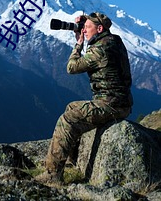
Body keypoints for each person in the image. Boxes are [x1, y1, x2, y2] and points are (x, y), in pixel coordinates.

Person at [35, 12, 133, 184]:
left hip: (110, 104)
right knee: (72, 107)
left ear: (100, 29)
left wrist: (78, 44)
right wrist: (86, 23)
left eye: (88, 28)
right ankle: (72, 161)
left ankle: (52, 175)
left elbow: (71, 68)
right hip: (120, 102)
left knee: (68, 119)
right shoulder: (114, 41)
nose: (84, 30)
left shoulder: (100, 50)